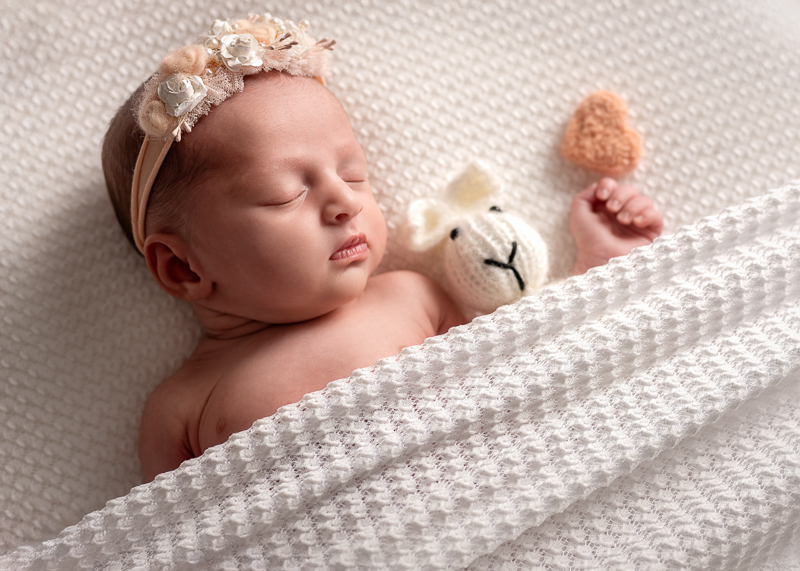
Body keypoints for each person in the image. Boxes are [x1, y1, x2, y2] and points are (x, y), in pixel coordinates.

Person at [101, 14, 663, 482]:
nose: (343, 202)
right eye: (285, 194)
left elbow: (526, 373)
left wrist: (598, 275)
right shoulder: (182, 406)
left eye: (354, 173)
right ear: (181, 266)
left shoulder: (410, 297)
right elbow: (170, 546)